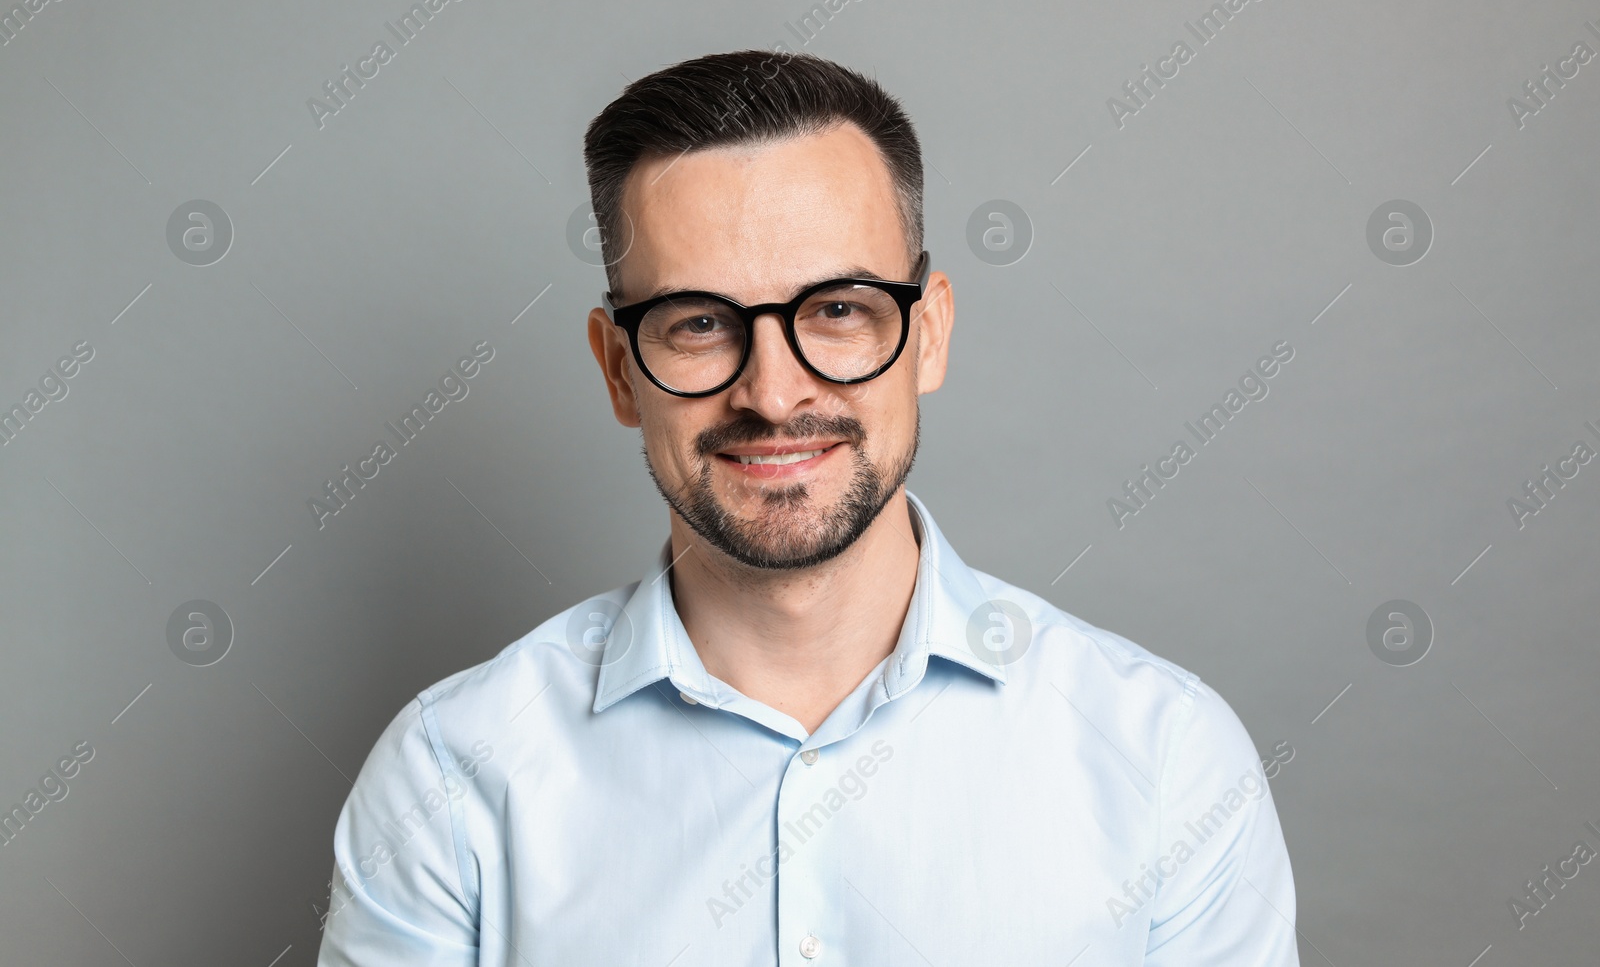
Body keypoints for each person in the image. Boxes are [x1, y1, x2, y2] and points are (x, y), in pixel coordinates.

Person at [317, 49, 1299, 965]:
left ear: (928, 334)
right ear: (619, 369)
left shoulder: (1165, 761)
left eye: (836, 309)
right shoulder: (449, 779)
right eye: (699, 322)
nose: (774, 393)